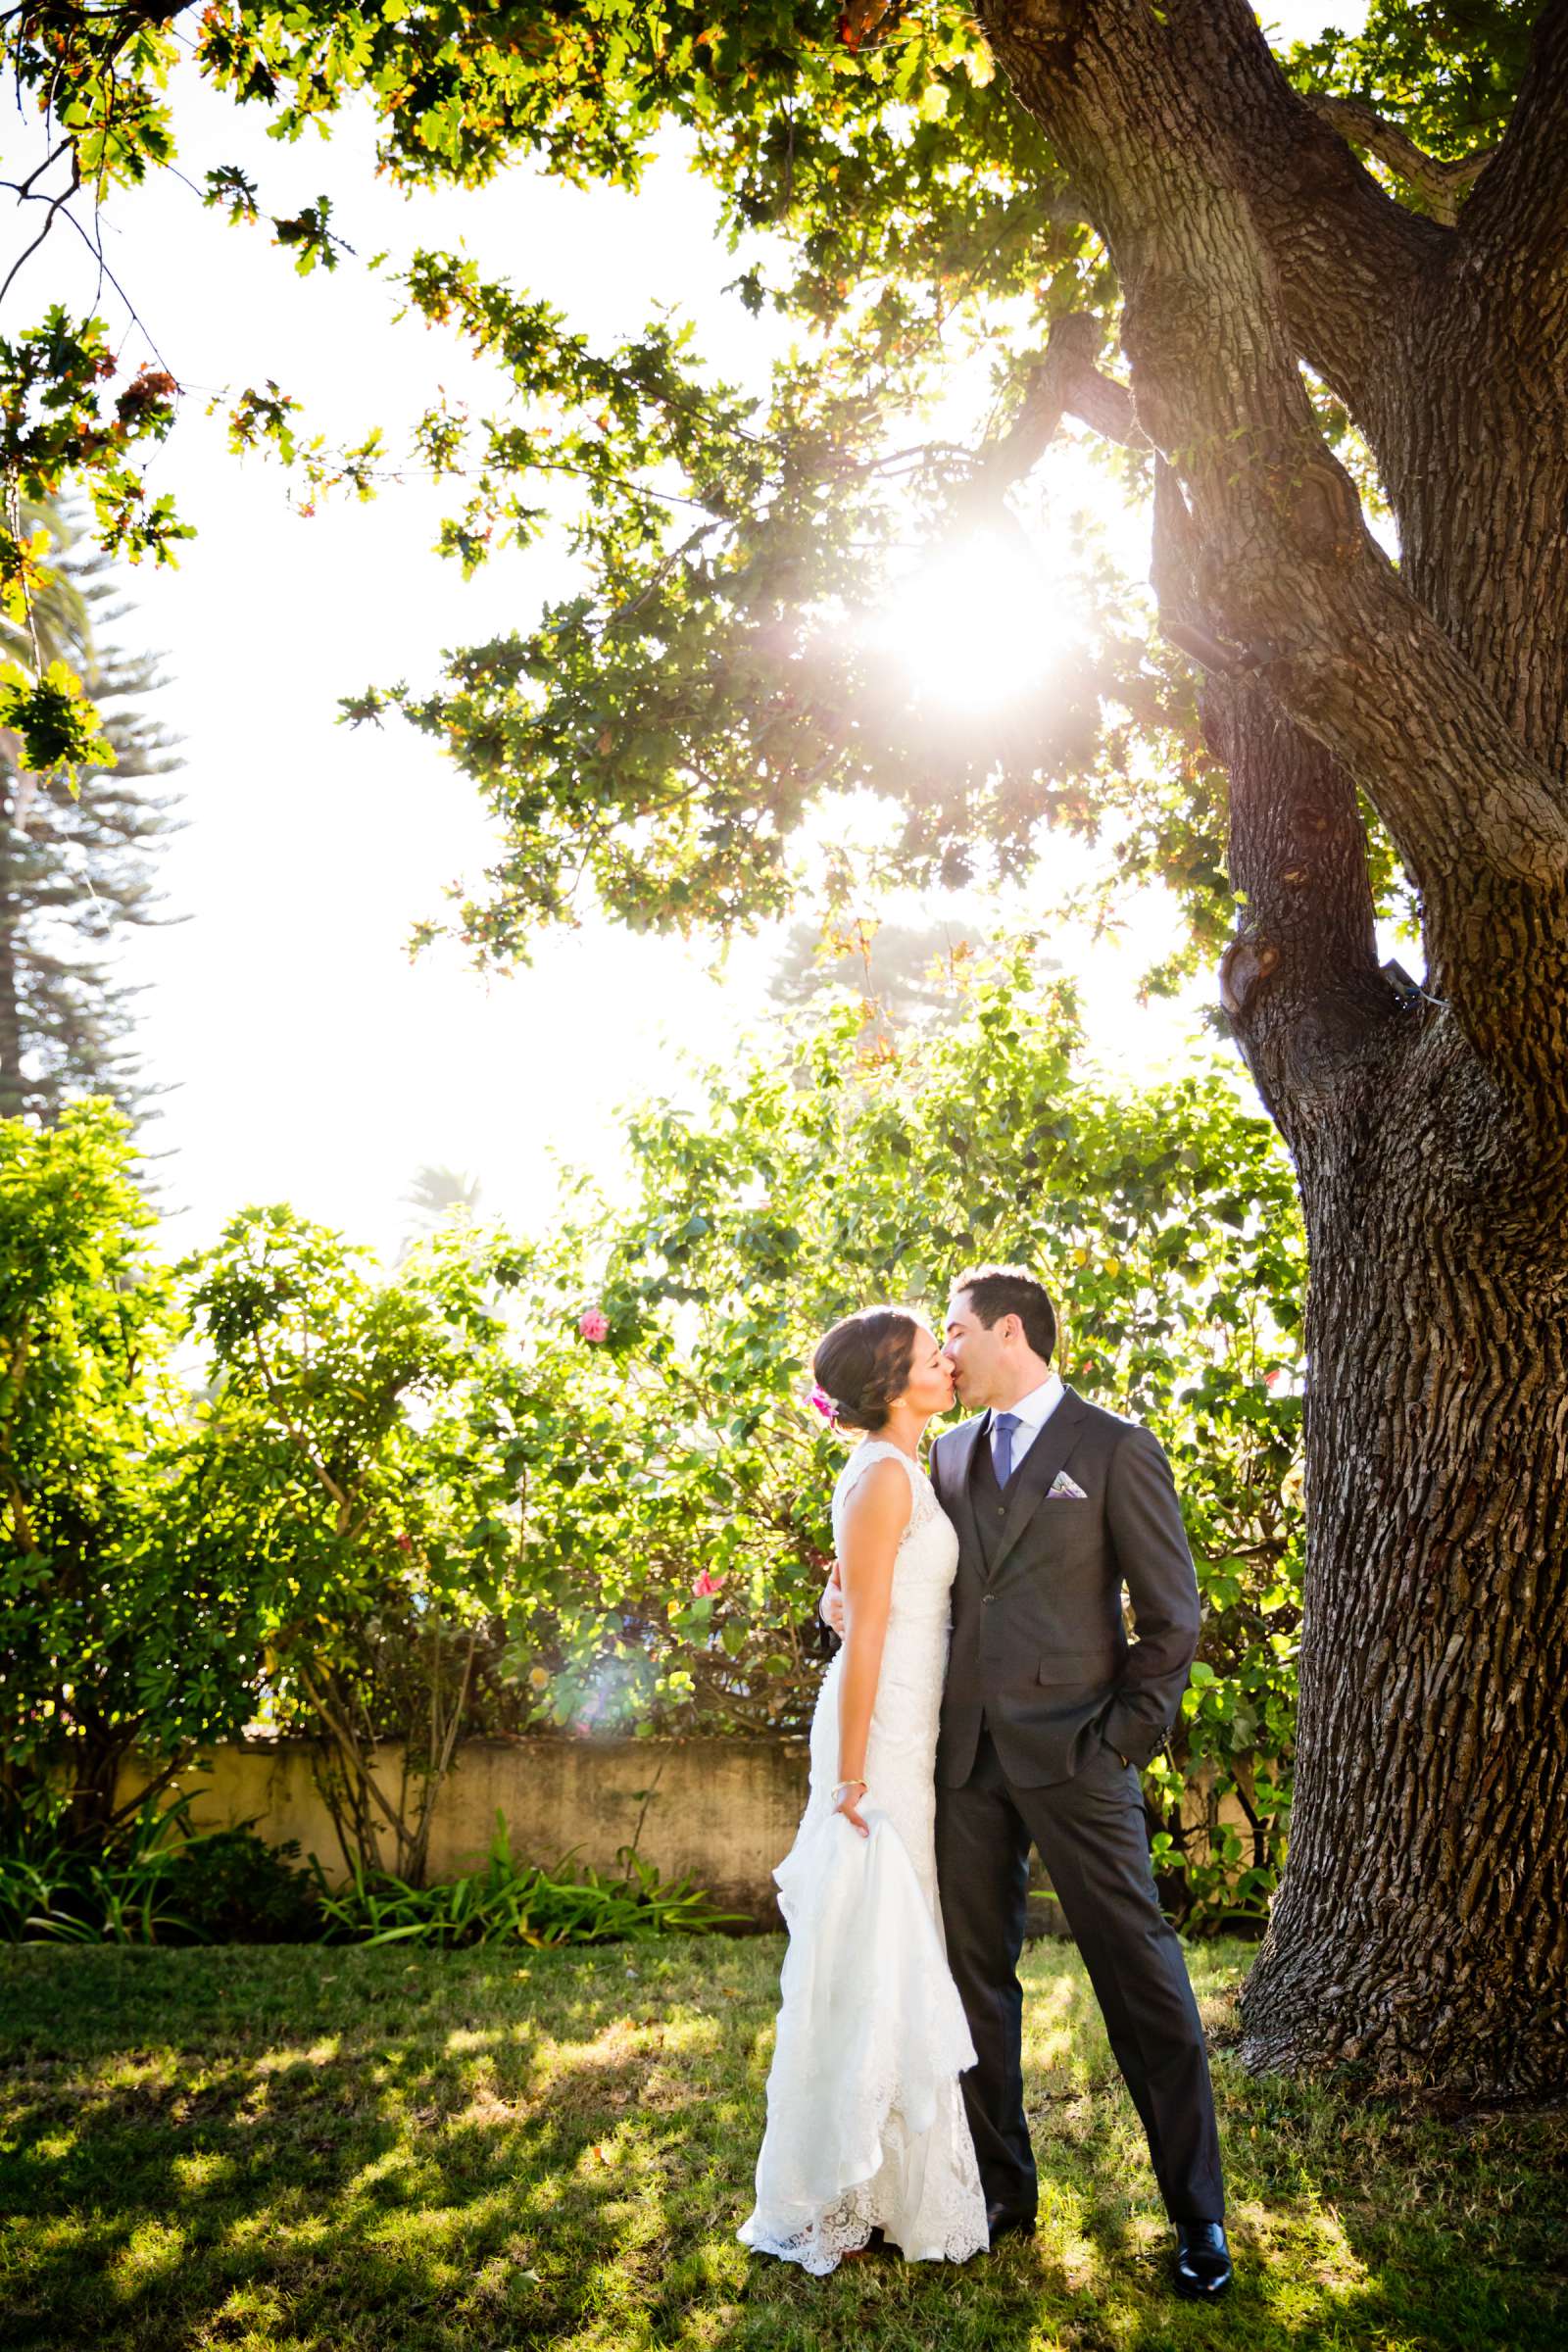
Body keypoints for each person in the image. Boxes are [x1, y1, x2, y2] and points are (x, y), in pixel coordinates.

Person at [821, 1264, 1233, 2300]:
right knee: (972, 1986)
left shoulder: (1113, 1448)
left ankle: (1198, 2217)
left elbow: (1170, 1618)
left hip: (1077, 1757)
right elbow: (900, 1583)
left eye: (954, 1330)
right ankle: (1002, 2193)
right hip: (959, 1761)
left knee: (1139, 1982)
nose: (944, 1350)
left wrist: (1119, 1742)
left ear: (1011, 1331)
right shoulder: (941, 1455)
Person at [737, 1305, 989, 2276]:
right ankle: (845, 2188)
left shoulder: (903, 1469)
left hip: (906, 1730)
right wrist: (848, 1774)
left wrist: (834, 1599)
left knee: (896, 1946)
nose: (947, 1364)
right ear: (893, 1385)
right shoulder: (882, 1474)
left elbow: (854, 1600)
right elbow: (868, 1636)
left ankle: (881, 2181)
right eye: (934, 1356)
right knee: (872, 1945)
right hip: (874, 1740)